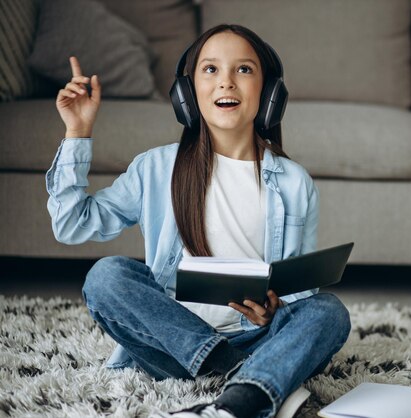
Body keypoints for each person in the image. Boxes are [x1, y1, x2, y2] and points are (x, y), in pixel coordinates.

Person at [46, 23, 352, 418]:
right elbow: (72, 225)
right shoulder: (155, 168)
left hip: (259, 339)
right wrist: (77, 132)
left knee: (328, 312)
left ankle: (232, 400)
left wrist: (273, 308)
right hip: (172, 348)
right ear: (187, 94)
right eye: (210, 70)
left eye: (243, 70)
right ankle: (245, 381)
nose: (226, 82)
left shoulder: (294, 182)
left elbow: (297, 288)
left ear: (270, 93)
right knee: (107, 276)